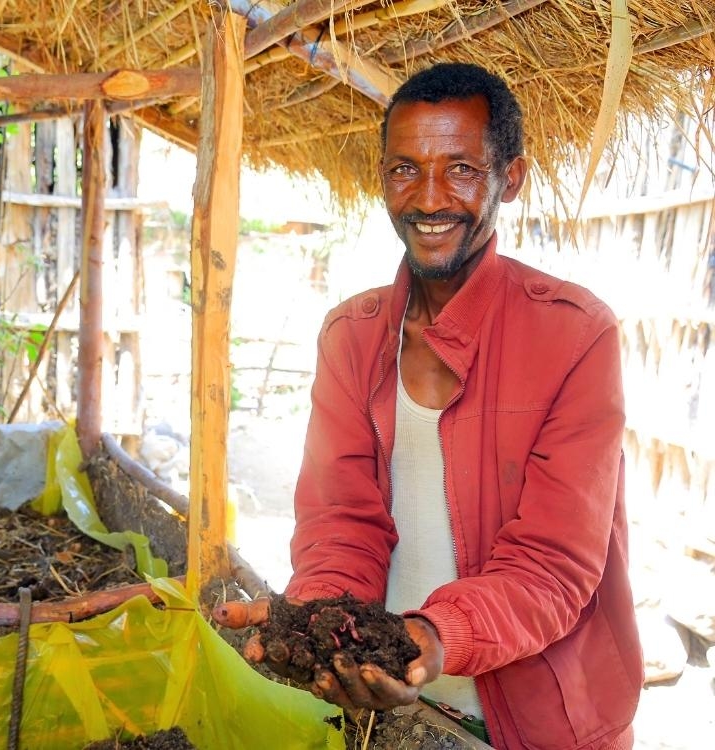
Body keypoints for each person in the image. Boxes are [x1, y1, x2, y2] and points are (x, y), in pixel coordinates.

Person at [214, 62, 643, 749]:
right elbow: (340, 520)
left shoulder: (576, 333)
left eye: (462, 170)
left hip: (543, 723)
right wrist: (327, 625)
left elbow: (552, 563)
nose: (429, 198)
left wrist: (433, 637)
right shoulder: (351, 336)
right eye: (404, 170)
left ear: (512, 178)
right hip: (389, 712)